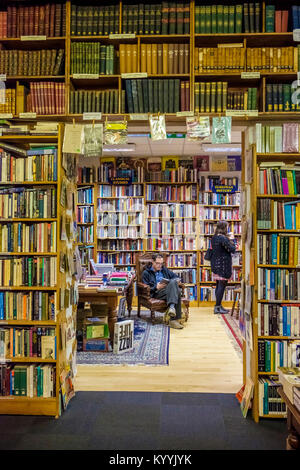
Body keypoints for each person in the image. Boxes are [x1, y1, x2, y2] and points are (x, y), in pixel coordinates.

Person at [142, 253, 184, 329]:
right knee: (177, 291)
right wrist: (156, 287)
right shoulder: (146, 273)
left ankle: (171, 309)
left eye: (161, 263)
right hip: (156, 293)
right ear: (152, 261)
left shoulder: (164, 270)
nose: (159, 265)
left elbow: (176, 277)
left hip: (167, 291)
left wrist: (176, 281)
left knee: (174, 283)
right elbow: (145, 288)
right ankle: (173, 319)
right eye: (157, 263)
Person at [210, 221, 236, 314]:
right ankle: (217, 307)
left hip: (215, 265)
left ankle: (218, 305)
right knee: (222, 285)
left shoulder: (214, 237)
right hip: (223, 266)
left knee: (218, 285)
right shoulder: (223, 238)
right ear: (224, 228)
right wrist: (232, 239)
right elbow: (233, 249)